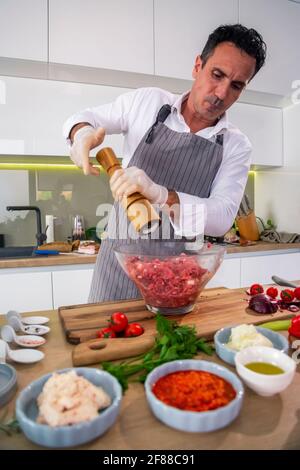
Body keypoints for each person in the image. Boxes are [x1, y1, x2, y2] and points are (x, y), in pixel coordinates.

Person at [63, 24, 267, 302]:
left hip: (177, 278)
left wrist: (159, 194)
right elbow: (85, 116)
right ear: (198, 66)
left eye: (236, 85)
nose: (221, 93)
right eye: (216, 75)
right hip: (116, 270)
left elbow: (221, 218)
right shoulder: (148, 103)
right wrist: (82, 133)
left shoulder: (235, 145)